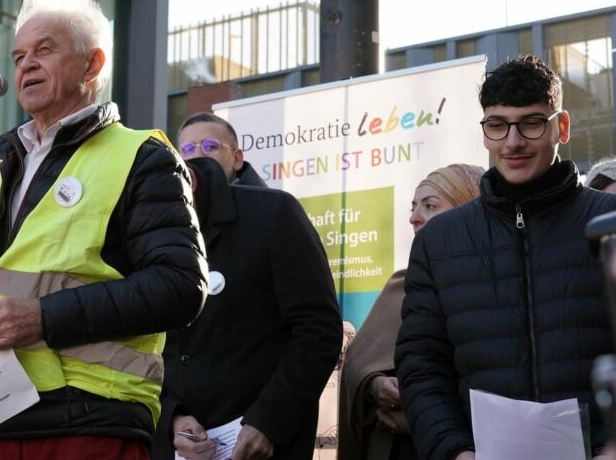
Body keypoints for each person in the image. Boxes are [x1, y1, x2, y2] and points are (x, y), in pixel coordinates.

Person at [0, 0, 206, 460]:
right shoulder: (0, 174)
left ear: (93, 64)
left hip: (88, 421)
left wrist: (43, 319)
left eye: (45, 49)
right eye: (20, 55)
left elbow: (180, 285)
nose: (26, 64)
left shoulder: (142, 155)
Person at [395, 54, 616, 460]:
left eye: (531, 123)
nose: (513, 142)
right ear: (484, 133)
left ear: (561, 127)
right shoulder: (439, 240)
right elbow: (422, 365)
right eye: (497, 125)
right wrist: (454, 451)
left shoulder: (609, 224)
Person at [151, 156, 342, 460]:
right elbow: (147, 347)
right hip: (181, 447)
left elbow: (318, 330)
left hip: (266, 444)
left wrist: (269, 421)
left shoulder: (273, 213)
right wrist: (171, 417)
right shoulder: (144, 235)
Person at [338, 163, 484, 460]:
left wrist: (420, 414)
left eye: (430, 206)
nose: (414, 218)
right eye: (414, 207)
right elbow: (357, 367)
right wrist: (375, 385)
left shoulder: (498, 286)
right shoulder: (400, 286)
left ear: (470, 208)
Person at [177, 111, 266, 186]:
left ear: (237, 159)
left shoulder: (271, 204)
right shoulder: (168, 203)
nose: (198, 155)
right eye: (188, 149)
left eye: (211, 146)